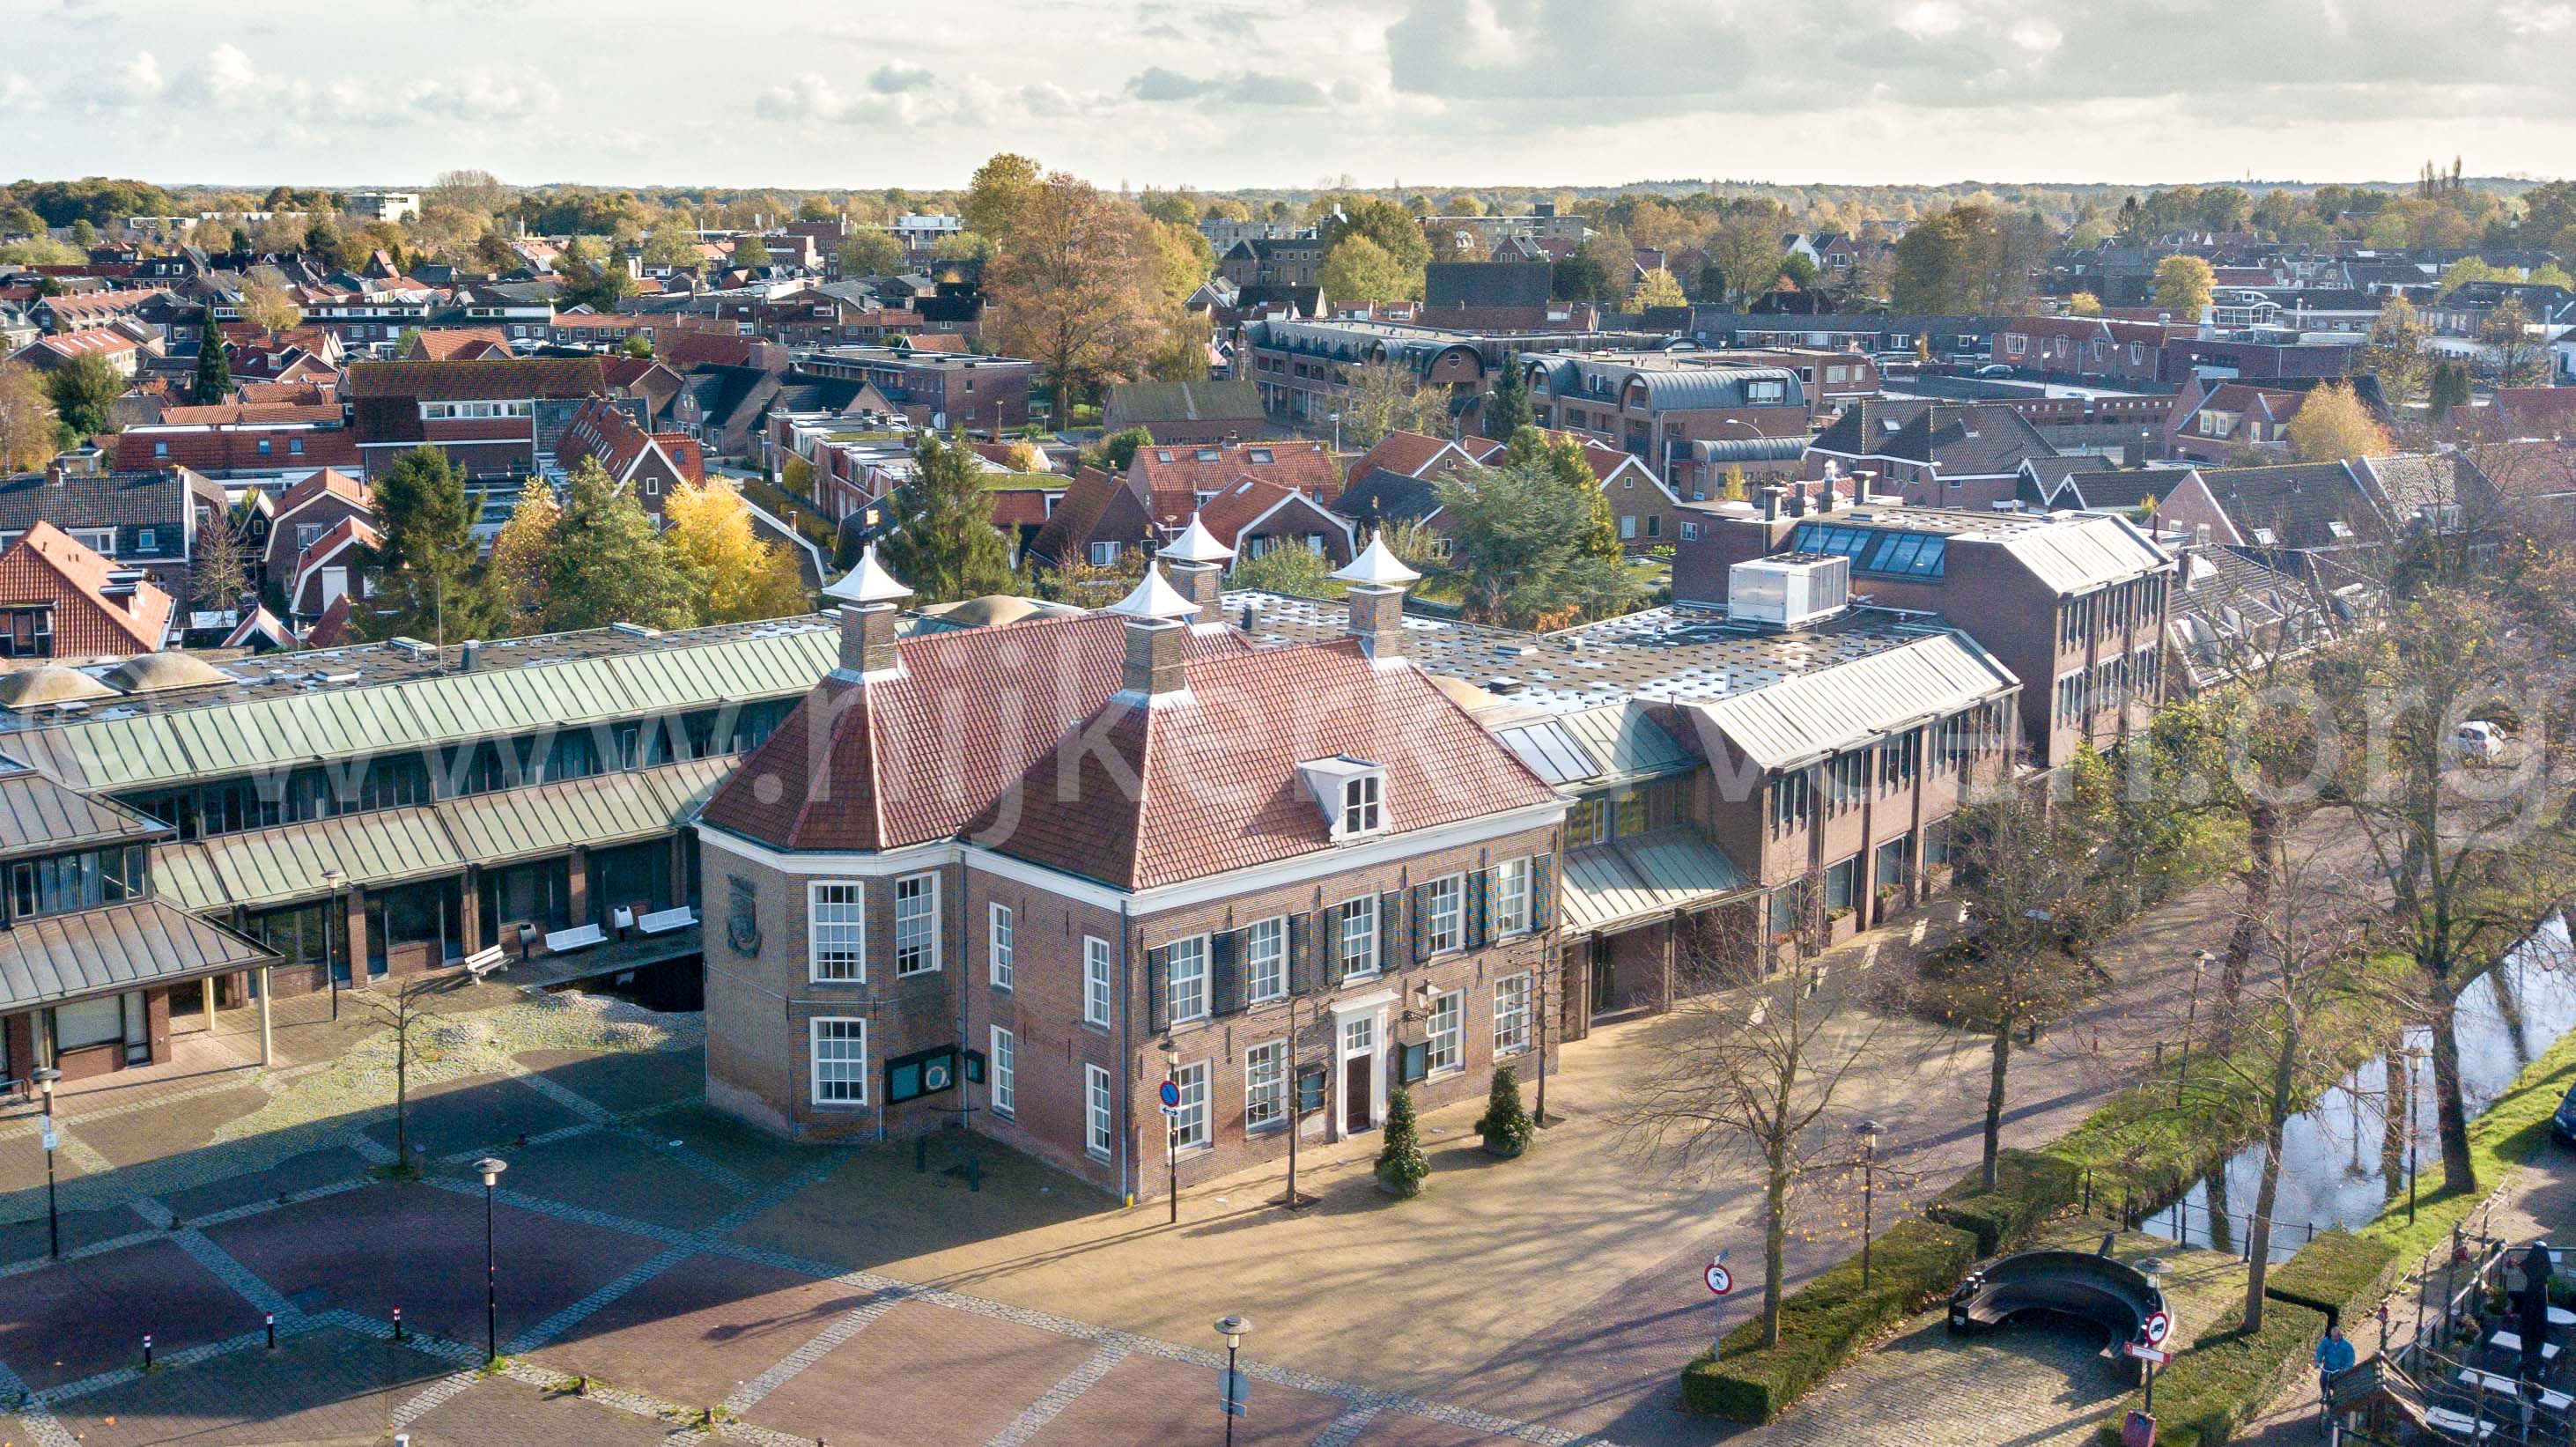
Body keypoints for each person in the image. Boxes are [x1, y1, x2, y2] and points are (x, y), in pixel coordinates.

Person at [2315, 1323, 2357, 1395]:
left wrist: (2346, 1368)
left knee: (2340, 1385)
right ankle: (2327, 1397)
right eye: (2332, 1336)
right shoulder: (2326, 1342)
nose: (2333, 1339)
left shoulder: (2347, 1345)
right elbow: (2320, 1351)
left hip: (2340, 1369)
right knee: (2323, 1381)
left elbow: (2351, 1358)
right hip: (2328, 1367)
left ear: (2340, 1336)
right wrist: (2318, 1361)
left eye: (2335, 1337)